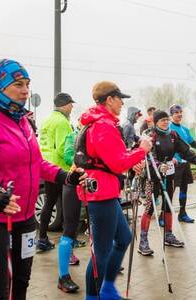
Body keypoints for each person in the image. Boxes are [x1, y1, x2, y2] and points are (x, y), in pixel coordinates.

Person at [0, 59, 85, 300]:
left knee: (21, 283)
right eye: (18, 84)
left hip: (24, 220)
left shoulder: (23, 121)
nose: (25, 90)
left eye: (27, 84)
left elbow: (36, 163)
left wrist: (66, 177)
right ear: (0, 87)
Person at [77, 81, 152, 299]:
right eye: (120, 98)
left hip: (107, 191)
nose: (122, 103)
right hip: (100, 194)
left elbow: (113, 158)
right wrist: (141, 150)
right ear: (109, 99)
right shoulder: (102, 125)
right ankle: (94, 295)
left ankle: (107, 287)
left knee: (124, 237)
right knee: (101, 252)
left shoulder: (104, 123)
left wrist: (132, 158)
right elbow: (118, 162)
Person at [138, 110, 196, 255]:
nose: (166, 122)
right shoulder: (151, 135)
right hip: (152, 176)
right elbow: (150, 156)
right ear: (156, 122)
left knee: (168, 205)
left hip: (168, 174)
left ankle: (168, 235)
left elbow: (185, 151)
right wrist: (158, 166)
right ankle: (143, 241)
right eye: (162, 120)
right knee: (149, 208)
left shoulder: (172, 135)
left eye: (167, 119)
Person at [37, 93, 76, 252]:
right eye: (71, 104)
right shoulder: (62, 122)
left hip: (46, 166)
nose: (72, 107)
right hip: (59, 169)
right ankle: (69, 239)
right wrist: (74, 164)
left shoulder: (47, 120)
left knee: (50, 202)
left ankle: (42, 238)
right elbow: (63, 148)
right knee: (68, 205)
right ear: (65, 105)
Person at [57, 121, 86, 293]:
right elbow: (68, 156)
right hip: (73, 183)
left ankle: (104, 265)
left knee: (97, 229)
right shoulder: (73, 136)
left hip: (92, 185)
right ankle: (63, 276)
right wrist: (81, 163)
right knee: (70, 229)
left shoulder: (100, 136)